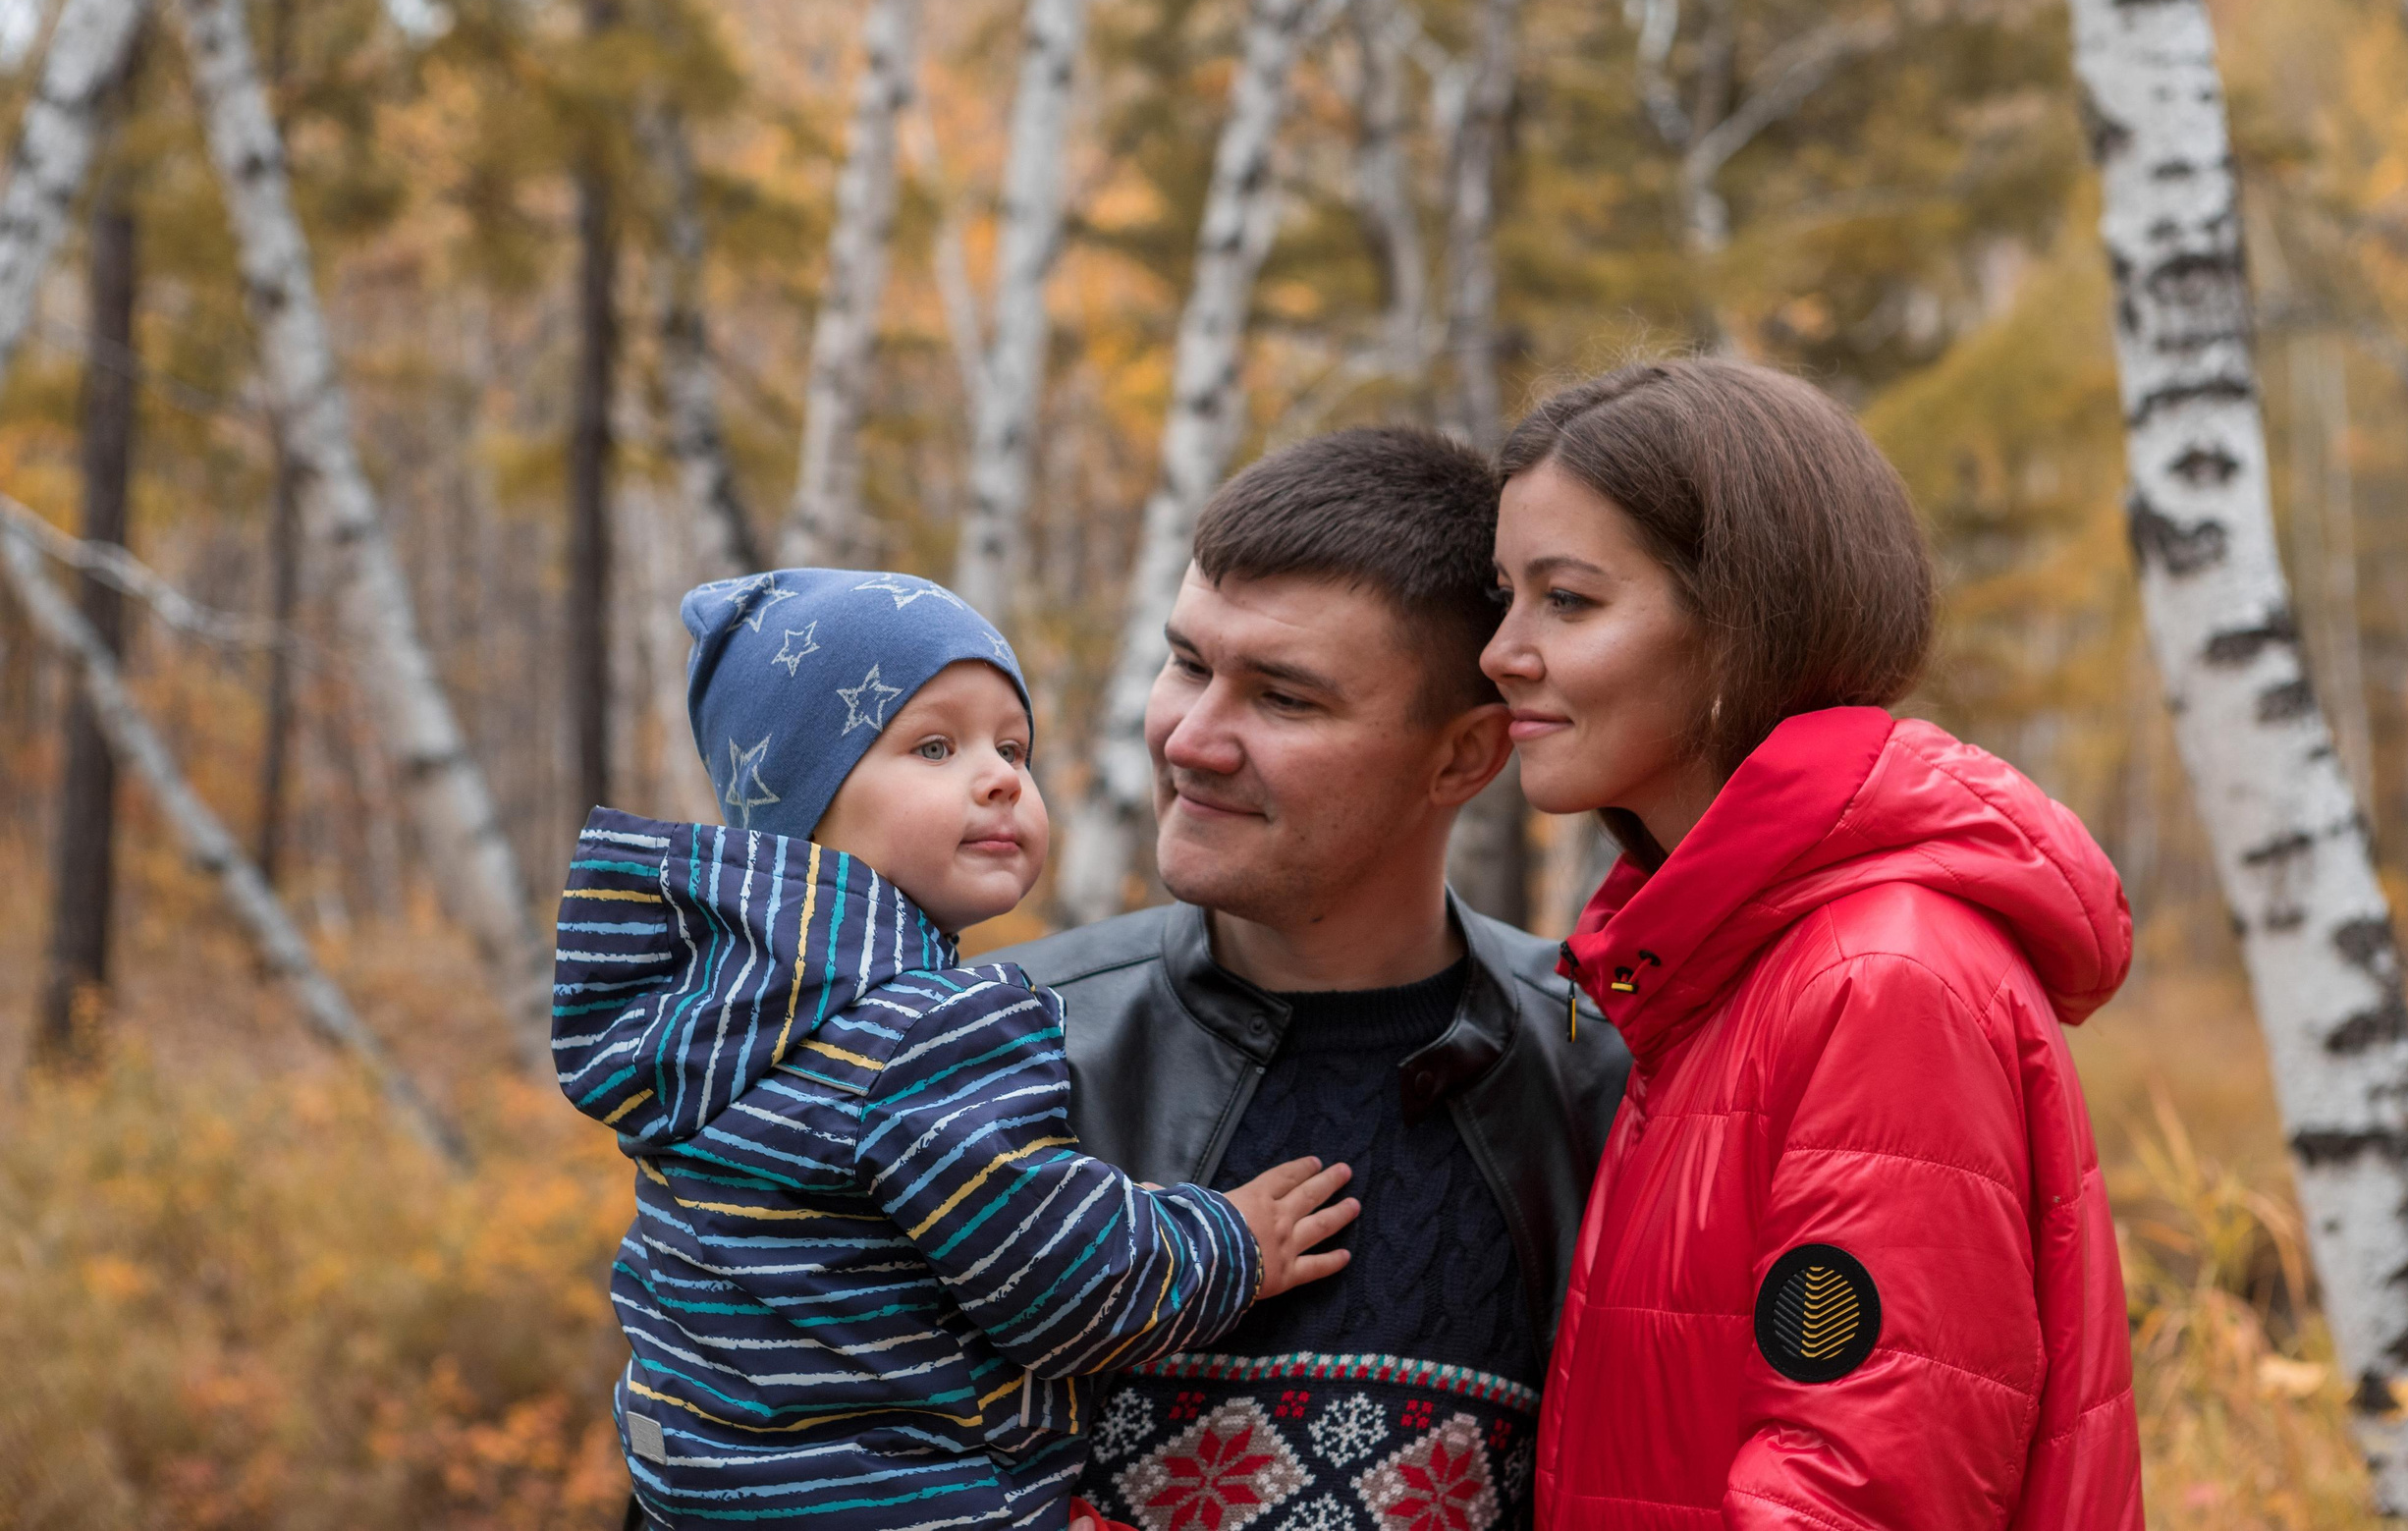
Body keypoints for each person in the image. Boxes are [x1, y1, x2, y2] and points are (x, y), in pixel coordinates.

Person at [551, 569, 1359, 1531]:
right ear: (805, 804)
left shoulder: (701, 1016)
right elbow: (1063, 1280)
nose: (1001, 776)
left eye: (1014, 747)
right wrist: (1230, 1243)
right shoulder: (929, 1028)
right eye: (933, 746)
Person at [1486, 361, 2142, 1530]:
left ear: (1738, 625)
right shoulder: (1717, 964)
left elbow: (1858, 1488)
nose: (1500, 651)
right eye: (1504, 596)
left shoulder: (1877, 979)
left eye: (1568, 602)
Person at [1014, 428, 1633, 1531]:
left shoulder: (1605, 1076)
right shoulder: (996, 1049)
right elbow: (747, 1444)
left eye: (1284, 699)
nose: (1191, 740)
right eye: (1189, 664)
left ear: (1463, 757)